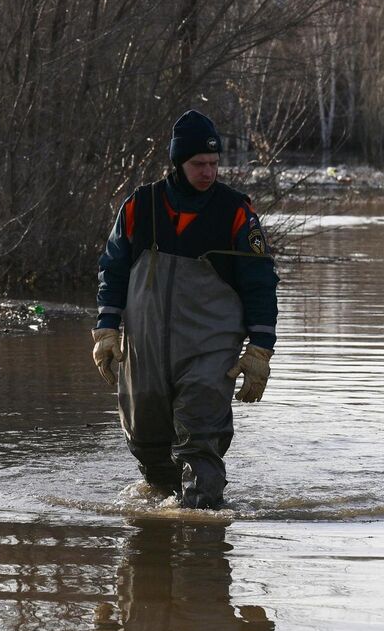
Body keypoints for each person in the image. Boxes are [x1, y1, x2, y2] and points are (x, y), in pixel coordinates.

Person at [93, 110, 278, 509]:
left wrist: (260, 350)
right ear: (177, 162)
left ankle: (202, 538)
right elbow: (113, 268)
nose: (208, 172)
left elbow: (261, 283)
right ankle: (161, 527)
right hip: (145, 349)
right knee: (146, 443)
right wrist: (106, 330)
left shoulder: (237, 214)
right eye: (199, 164)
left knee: (200, 444)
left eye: (214, 163)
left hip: (209, 351)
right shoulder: (139, 207)